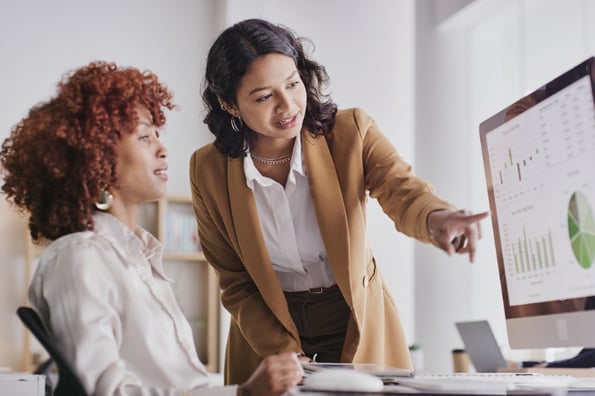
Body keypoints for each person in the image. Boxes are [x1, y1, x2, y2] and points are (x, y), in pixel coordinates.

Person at [190, 18, 489, 385]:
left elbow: (401, 189)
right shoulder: (208, 169)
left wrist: (435, 216)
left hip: (354, 318)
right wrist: (280, 350)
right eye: (265, 96)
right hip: (267, 328)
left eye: (293, 84)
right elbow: (235, 281)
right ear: (229, 104)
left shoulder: (351, 131)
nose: (287, 106)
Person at [0, 61, 302, 396]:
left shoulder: (135, 256)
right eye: (144, 137)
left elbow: (184, 386)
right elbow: (105, 391)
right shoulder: (80, 256)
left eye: (157, 135)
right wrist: (243, 393)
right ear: (95, 159)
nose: (163, 149)